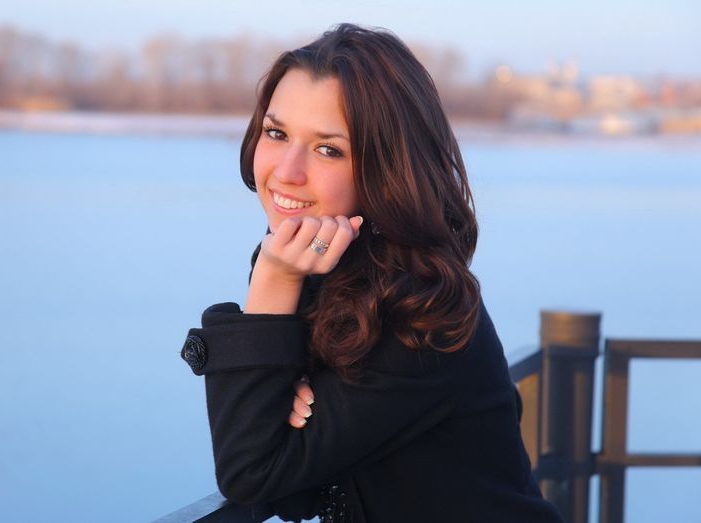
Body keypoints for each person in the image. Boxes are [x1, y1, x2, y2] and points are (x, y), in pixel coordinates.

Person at [180, 23, 563, 522]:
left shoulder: (420, 307)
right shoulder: (318, 262)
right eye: (276, 133)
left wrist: (272, 283)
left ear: (385, 167)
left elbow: (253, 473)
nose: (286, 170)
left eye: (328, 148)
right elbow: (295, 491)